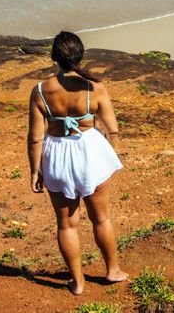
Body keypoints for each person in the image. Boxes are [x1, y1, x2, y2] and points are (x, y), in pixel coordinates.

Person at [27, 31, 126, 295]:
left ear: (54, 57)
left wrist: (35, 170)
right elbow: (112, 129)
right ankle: (113, 270)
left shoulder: (39, 91)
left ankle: (78, 282)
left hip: (56, 157)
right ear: (81, 55)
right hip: (89, 154)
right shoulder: (95, 88)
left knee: (66, 224)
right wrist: (106, 155)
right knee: (101, 218)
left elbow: (36, 138)